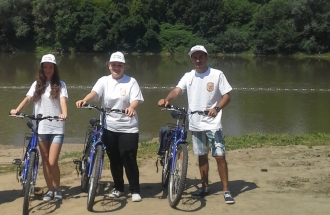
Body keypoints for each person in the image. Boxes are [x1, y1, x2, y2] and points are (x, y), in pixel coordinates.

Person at [158, 45, 235, 204]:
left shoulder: (217, 74)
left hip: (213, 124)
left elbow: (227, 96)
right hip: (195, 124)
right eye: (195, 57)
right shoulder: (188, 76)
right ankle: (205, 187)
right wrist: (167, 99)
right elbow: (177, 90)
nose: (198, 60)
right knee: (202, 156)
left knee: (219, 156)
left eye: (201, 57)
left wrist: (216, 108)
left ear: (206, 57)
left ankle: (226, 190)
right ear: (191, 59)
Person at [76, 51, 144, 202]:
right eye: (114, 65)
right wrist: (85, 100)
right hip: (109, 127)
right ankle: (119, 188)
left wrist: (132, 107)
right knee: (114, 159)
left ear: (124, 66)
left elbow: (136, 99)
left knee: (128, 158)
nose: (116, 68)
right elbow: (95, 93)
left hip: (128, 127)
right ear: (109, 66)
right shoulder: (104, 81)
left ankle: (135, 190)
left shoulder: (131, 82)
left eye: (119, 65)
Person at [10, 54, 68, 202]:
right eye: (45, 67)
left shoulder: (61, 84)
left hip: (57, 127)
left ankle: (57, 188)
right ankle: (50, 189)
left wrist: (64, 113)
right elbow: (28, 98)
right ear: (41, 68)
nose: (48, 69)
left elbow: (63, 101)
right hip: (41, 127)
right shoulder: (37, 84)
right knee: (46, 160)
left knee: (53, 161)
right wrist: (17, 109)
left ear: (54, 68)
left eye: (51, 67)